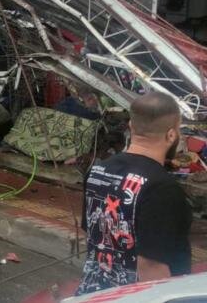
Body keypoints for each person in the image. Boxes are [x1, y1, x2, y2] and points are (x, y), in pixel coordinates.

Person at [76, 92, 192, 295]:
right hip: (136, 297)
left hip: (93, 294)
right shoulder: (163, 190)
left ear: (131, 126)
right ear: (171, 135)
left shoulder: (97, 171)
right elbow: (151, 267)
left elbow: (94, 233)